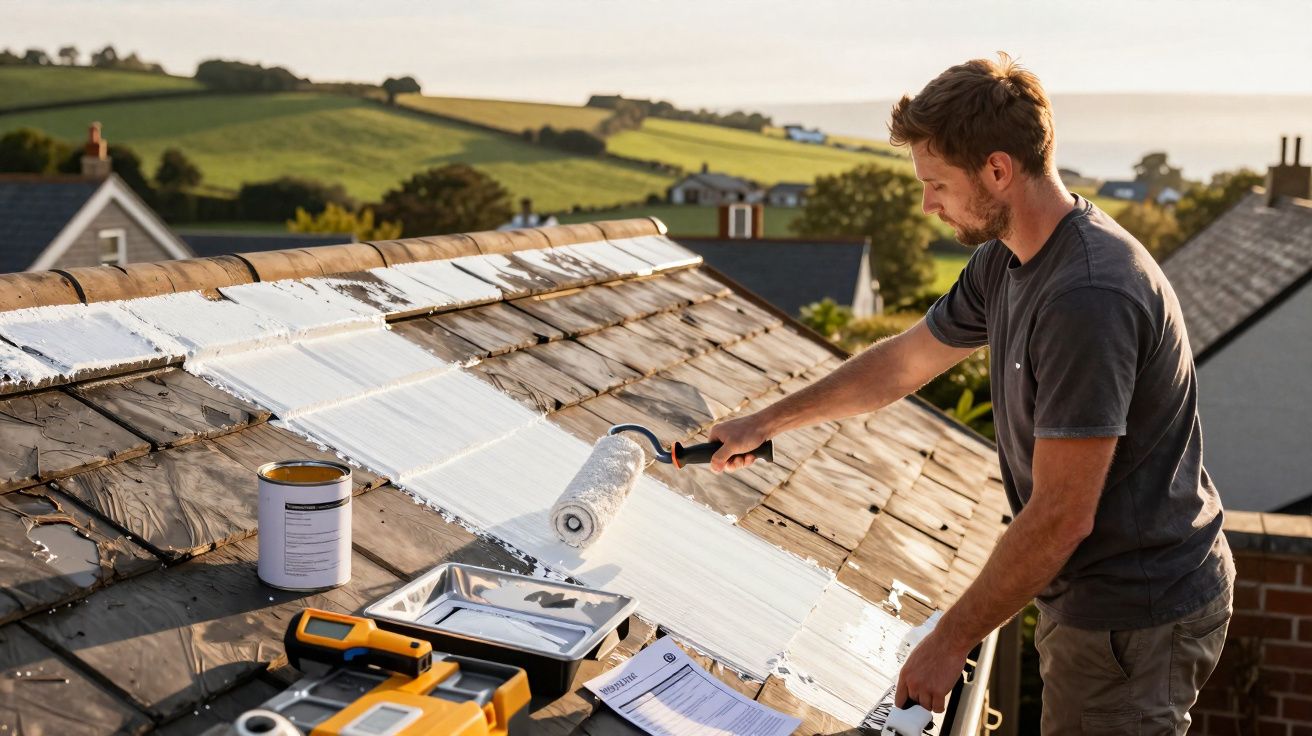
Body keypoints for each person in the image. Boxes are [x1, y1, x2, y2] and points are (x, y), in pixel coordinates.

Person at [707, 53, 1234, 734]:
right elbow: (900, 365)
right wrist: (764, 422)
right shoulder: (1006, 260)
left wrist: (949, 639)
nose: (928, 204)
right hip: (1092, 594)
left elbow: (1062, 515)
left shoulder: (1088, 298)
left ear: (997, 171)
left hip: (1136, 614)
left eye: (937, 184)